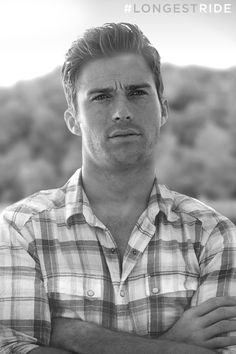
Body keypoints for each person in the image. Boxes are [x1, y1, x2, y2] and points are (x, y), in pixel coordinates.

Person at [0, 22, 236, 354]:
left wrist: (74, 335)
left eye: (137, 92)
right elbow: (12, 348)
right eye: (101, 97)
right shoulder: (21, 230)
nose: (122, 112)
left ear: (163, 108)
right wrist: (171, 346)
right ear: (72, 120)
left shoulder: (213, 235)